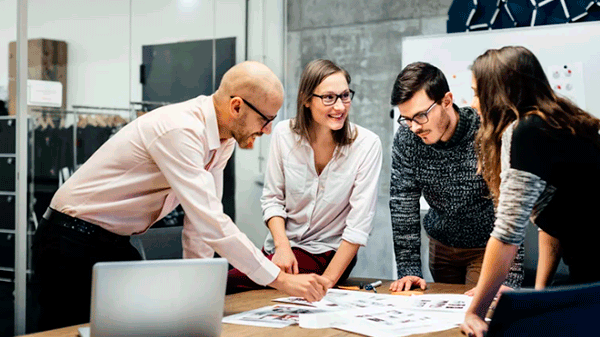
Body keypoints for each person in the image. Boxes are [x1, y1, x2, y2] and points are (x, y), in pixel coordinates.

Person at [31, 61, 330, 331]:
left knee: (137, 327)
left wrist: (196, 295)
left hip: (113, 242)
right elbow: (211, 221)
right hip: (69, 239)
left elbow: (200, 225)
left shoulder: (222, 141)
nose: (266, 131)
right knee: (64, 330)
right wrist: (280, 279)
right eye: (265, 120)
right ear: (236, 107)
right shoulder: (181, 130)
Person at [461, 46, 600, 337]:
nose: (474, 104)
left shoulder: (527, 131)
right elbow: (553, 223)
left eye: (477, 93)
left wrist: (475, 312)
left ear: (497, 93)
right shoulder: (558, 121)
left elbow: (507, 234)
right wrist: (540, 296)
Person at [227, 59, 382, 294]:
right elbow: (272, 200)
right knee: (227, 274)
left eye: (345, 95)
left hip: (328, 255)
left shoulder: (367, 144)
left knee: (225, 281)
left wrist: (327, 282)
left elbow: (358, 225)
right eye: (329, 97)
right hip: (281, 250)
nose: (340, 106)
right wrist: (282, 248)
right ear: (306, 99)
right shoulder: (283, 135)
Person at [388, 62, 524, 294]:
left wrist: (510, 277)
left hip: (487, 247)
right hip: (441, 248)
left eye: (421, 116)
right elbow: (403, 202)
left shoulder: (486, 132)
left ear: (447, 101)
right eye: (406, 118)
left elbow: (509, 205)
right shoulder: (407, 138)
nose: (413, 128)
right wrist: (408, 268)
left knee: (478, 316)